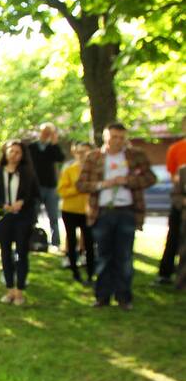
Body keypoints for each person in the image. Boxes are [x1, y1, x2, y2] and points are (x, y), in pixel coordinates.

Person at [76, 122, 157, 310]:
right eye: (114, 137)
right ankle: (102, 296)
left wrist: (128, 181)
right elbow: (81, 184)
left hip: (126, 211)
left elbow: (150, 178)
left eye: (121, 137)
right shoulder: (94, 157)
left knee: (124, 256)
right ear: (106, 137)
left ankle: (124, 297)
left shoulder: (135, 156)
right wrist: (102, 184)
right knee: (103, 255)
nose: (118, 141)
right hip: (102, 212)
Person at [0, 141, 41, 305]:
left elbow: (36, 195)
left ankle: (20, 290)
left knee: (22, 253)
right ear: (6, 153)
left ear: (22, 155)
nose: (14, 154)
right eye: (11, 151)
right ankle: (9, 289)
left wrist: (22, 202)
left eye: (18, 152)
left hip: (23, 218)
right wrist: (2, 205)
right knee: (5, 252)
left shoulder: (28, 172)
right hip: (4, 218)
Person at [57, 141, 96, 283]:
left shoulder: (95, 170)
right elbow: (62, 191)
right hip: (70, 210)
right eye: (79, 152)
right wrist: (78, 189)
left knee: (89, 242)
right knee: (71, 240)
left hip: (88, 211)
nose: (82, 155)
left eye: (85, 152)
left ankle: (91, 273)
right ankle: (74, 270)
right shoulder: (69, 170)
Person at [157, 119, 186, 285]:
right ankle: (165, 273)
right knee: (174, 235)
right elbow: (174, 175)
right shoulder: (175, 149)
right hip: (180, 197)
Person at [28, 123, 65, 248]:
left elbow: (60, 158)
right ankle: (32, 240)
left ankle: (56, 242)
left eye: (48, 133)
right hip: (36, 186)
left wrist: (55, 143)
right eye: (44, 132)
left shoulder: (52, 148)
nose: (46, 135)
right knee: (33, 215)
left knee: (53, 216)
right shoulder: (32, 147)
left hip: (50, 186)